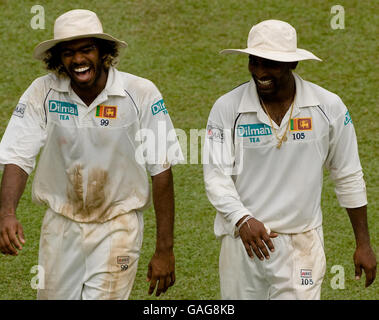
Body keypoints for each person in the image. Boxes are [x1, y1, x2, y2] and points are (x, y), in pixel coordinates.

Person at [0, 9, 182, 300]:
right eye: (69, 52)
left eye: (87, 49)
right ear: (58, 58)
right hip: (60, 226)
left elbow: (161, 171)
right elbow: (18, 156)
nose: (79, 60)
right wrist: (7, 212)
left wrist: (164, 249)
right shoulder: (42, 92)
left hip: (118, 226)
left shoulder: (141, 93)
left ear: (103, 52)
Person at [203, 19, 376, 299]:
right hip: (243, 244)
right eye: (254, 61)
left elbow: (348, 174)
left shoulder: (328, 107)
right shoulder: (227, 108)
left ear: (292, 64)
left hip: (301, 245)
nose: (259, 71)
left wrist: (363, 243)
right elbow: (215, 175)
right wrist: (242, 219)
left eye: (269, 63)